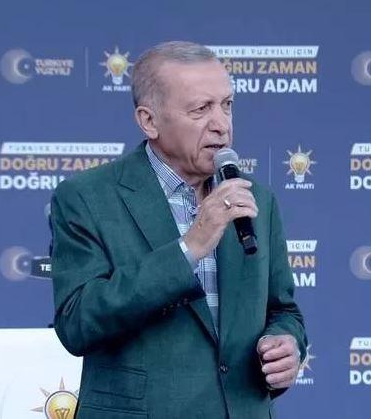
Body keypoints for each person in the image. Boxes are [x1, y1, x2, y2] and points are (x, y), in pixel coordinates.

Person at [50, 41, 307, 419]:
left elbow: (283, 310)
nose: (221, 124)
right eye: (201, 109)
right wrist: (189, 248)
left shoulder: (256, 199)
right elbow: (77, 323)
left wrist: (286, 345)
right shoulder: (87, 197)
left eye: (227, 105)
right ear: (149, 121)